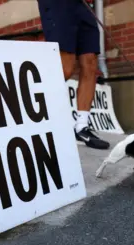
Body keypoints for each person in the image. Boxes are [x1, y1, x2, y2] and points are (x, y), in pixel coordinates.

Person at [37, 0, 110, 150]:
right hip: (58, 5)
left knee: (90, 62)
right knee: (65, 68)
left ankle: (81, 127)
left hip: (82, 5)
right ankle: (41, 118)